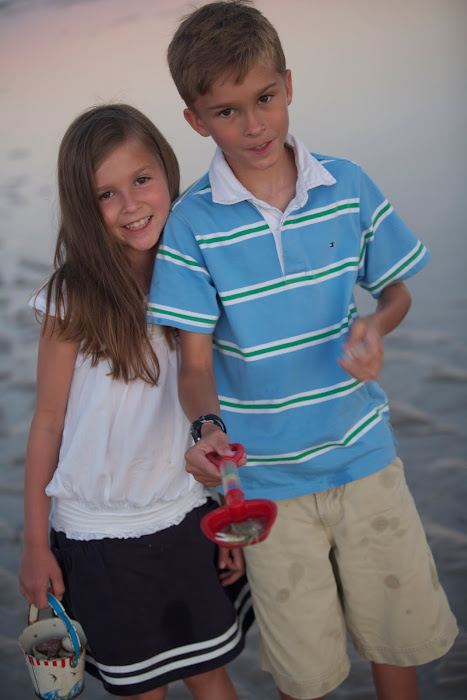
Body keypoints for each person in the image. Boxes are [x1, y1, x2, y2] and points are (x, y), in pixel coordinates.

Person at [147, 2, 458, 699]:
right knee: (305, 674)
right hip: (266, 488)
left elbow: (395, 292)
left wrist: (376, 326)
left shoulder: (346, 186)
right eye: (227, 112)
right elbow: (194, 366)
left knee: (397, 643)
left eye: (264, 98)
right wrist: (207, 428)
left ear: (287, 85)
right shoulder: (191, 224)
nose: (253, 124)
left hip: (363, 458)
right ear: (196, 121)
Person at [18, 103, 253, 700]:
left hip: (182, 514)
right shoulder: (72, 297)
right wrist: (35, 544)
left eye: (142, 179)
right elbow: (47, 423)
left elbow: (205, 395)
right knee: (144, 690)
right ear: (83, 205)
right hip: (98, 536)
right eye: (106, 194)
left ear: (168, 172)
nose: (131, 205)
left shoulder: (193, 274)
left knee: (210, 674)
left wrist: (221, 512)